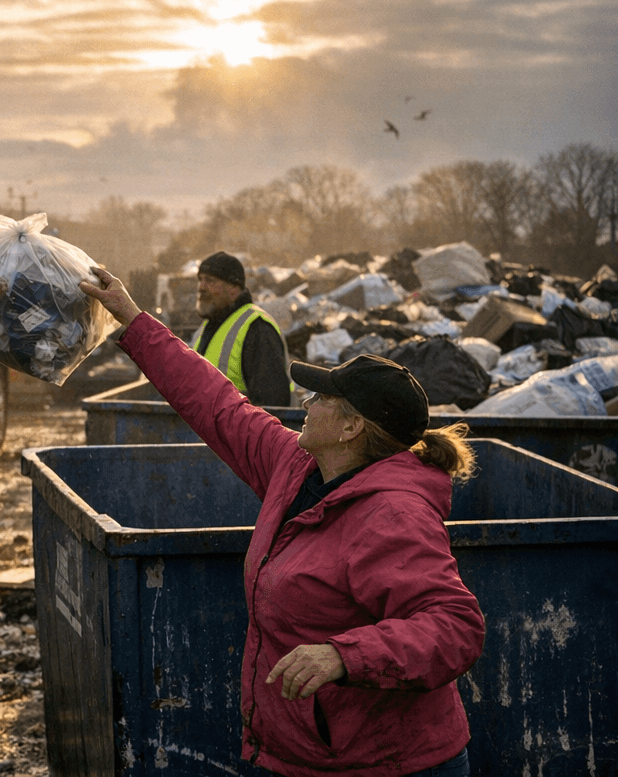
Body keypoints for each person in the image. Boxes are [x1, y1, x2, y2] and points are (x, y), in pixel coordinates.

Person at [80, 266, 483, 777]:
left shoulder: (392, 515)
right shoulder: (297, 467)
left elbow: (455, 627)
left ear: (351, 427)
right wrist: (133, 320)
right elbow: (217, 405)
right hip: (306, 754)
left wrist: (345, 657)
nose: (305, 405)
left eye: (320, 400)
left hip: (386, 765)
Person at [191, 250, 292, 406]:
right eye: (200, 280)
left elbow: (272, 404)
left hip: (237, 430)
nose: (201, 287)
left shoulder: (257, 328)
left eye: (210, 280)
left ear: (234, 287)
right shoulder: (208, 327)